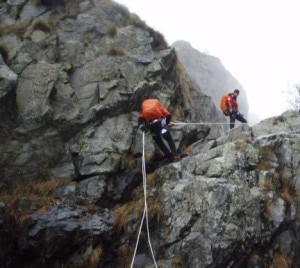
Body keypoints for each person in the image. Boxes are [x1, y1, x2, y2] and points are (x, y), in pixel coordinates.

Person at [138, 99, 180, 163]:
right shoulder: (159, 108)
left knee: (160, 143)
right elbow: (168, 115)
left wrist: (144, 128)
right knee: (169, 140)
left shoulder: (144, 112)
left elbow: (140, 120)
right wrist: (166, 124)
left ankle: (170, 157)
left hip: (153, 127)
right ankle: (175, 155)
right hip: (162, 125)